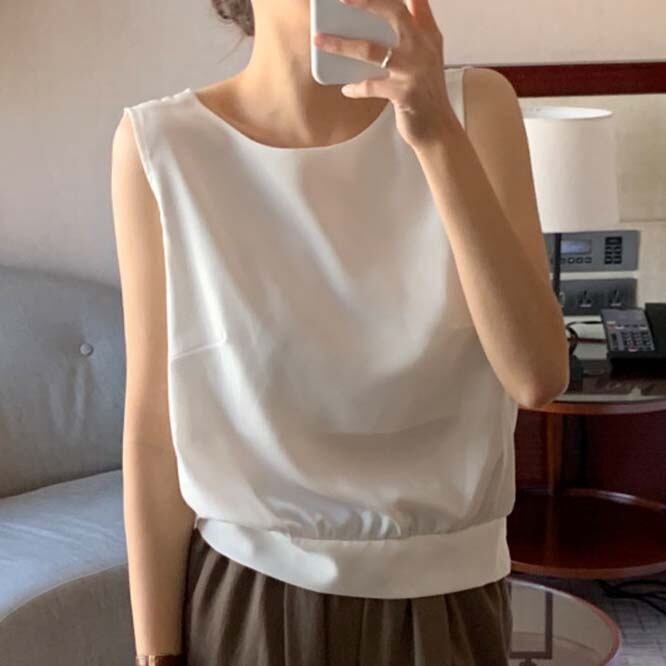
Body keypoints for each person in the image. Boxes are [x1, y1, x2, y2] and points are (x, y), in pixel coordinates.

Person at [111, 0, 570, 664]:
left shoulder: (476, 108)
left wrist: (434, 132)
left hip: (449, 596)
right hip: (252, 599)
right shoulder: (162, 146)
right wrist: (155, 655)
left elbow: (537, 375)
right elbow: (154, 435)